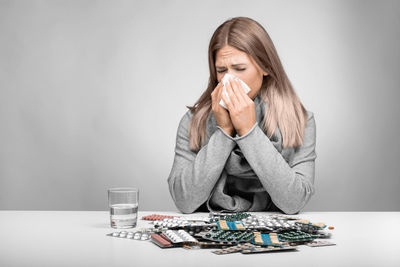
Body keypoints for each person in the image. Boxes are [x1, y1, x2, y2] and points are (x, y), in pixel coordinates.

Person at [167, 17, 317, 215]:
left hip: (271, 233)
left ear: (265, 67)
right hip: (211, 233)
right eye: (221, 70)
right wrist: (224, 131)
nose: (229, 79)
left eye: (240, 69)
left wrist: (248, 131)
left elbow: (294, 202)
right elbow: (184, 201)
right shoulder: (193, 121)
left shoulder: (300, 121)